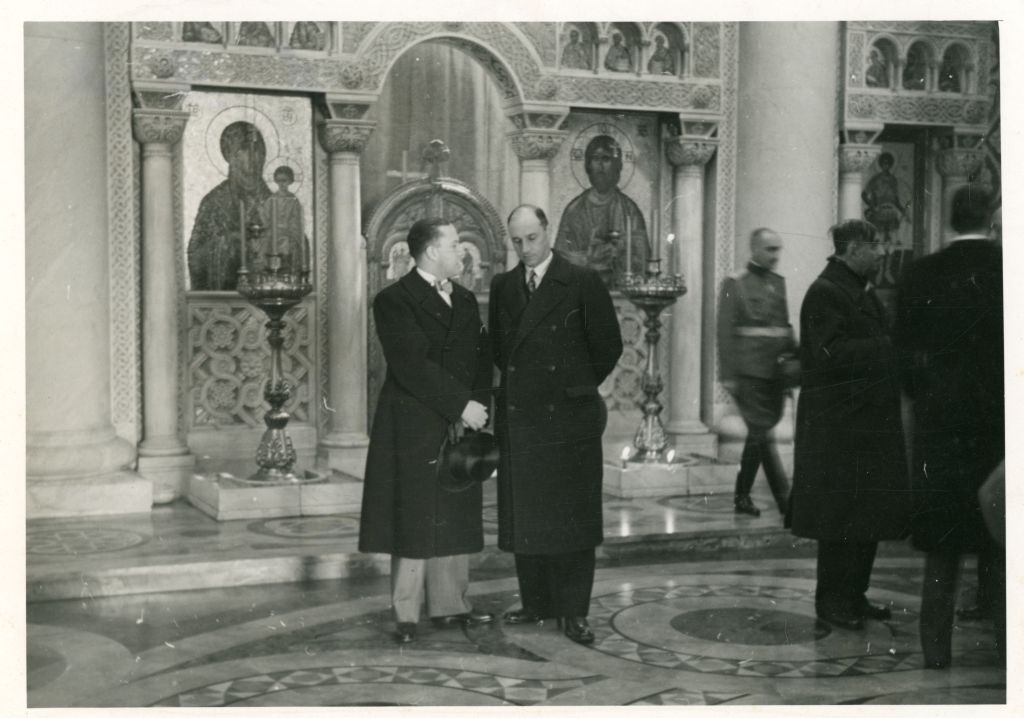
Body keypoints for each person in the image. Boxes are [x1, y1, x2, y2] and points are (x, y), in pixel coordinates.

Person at [489, 205, 623, 645]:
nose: (525, 248)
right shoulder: (504, 286)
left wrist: (573, 387)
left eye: (532, 238)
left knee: (572, 519)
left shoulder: (581, 280)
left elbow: (608, 345)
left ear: (547, 231)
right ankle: (536, 603)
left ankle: (573, 611)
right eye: (517, 241)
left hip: (568, 419)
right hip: (522, 419)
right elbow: (500, 349)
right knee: (528, 516)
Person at [358, 218, 495, 644]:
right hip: (414, 423)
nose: (462, 252)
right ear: (432, 251)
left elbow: (481, 358)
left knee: (455, 509)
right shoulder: (393, 300)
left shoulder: (466, 299)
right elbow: (411, 364)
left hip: (461, 421)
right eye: (455, 245)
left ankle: (451, 605)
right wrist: (461, 405)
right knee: (414, 516)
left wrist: (478, 410)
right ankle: (406, 613)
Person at [895, 186, 1004, 668]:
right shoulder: (1008, 269)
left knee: (943, 549)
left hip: (940, 428)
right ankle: (1008, 652)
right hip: (997, 430)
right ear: (989, 218)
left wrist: (927, 399)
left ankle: (936, 651)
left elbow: (903, 354)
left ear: (951, 218)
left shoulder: (921, 273)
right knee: (1001, 545)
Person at [788, 219, 911, 631]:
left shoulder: (858, 289)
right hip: (839, 426)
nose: (881, 253)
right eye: (875, 246)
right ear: (855, 248)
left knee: (865, 515)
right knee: (839, 518)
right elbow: (828, 353)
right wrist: (886, 347)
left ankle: (855, 595)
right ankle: (832, 602)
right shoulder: (825, 291)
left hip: (863, 422)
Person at [716, 228, 795, 517]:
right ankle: (786, 502)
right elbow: (724, 332)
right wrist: (728, 376)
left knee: (758, 434)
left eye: (778, 249)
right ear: (755, 249)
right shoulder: (734, 283)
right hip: (747, 373)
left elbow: (784, 329)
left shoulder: (778, 282)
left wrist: (792, 366)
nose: (776, 256)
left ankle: (742, 496)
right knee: (763, 434)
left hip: (774, 373)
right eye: (770, 249)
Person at [187, 121, 272, 291]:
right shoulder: (214, 202)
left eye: (258, 149)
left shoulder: (276, 202)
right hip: (225, 297)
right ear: (230, 155)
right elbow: (195, 255)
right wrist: (228, 243)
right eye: (245, 149)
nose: (254, 156)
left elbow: (297, 244)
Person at [556, 135, 649, 286]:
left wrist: (620, 252)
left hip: (621, 291)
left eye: (606, 159)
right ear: (588, 166)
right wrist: (588, 258)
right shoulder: (575, 210)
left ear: (618, 166)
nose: (600, 166)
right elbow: (561, 261)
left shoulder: (629, 210)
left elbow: (643, 261)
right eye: (595, 159)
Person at [263, 165, 309, 273]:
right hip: (273, 232)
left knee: (295, 243)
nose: (282, 184)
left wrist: (289, 230)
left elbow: (296, 219)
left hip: (290, 232)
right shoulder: (271, 200)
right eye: (279, 181)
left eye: (284, 180)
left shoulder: (293, 200)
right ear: (275, 181)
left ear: (290, 181)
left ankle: (291, 271)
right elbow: (265, 218)